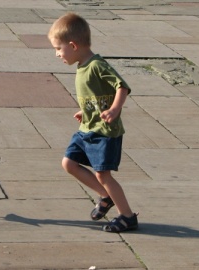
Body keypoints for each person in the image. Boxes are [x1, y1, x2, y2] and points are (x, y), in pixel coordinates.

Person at [48, 13, 138, 232]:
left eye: (58, 49)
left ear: (73, 45)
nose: (57, 54)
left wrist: (115, 109)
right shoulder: (82, 65)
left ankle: (127, 216)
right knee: (69, 163)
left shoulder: (97, 65)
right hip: (87, 127)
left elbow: (121, 86)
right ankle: (105, 196)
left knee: (102, 174)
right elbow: (97, 95)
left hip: (105, 132)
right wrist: (86, 110)